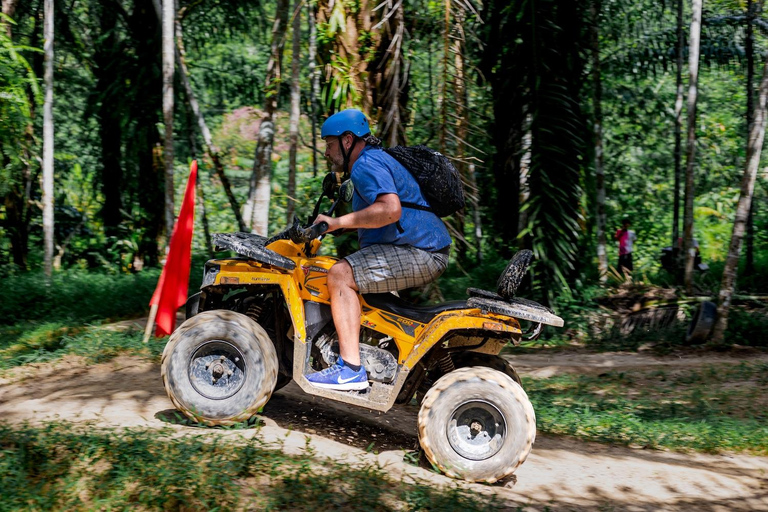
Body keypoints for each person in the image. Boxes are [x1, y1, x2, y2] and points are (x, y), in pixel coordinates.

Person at [305, 109, 452, 391]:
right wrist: (336, 226)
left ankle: (349, 369)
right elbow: (378, 217)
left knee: (339, 275)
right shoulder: (374, 160)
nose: (326, 152)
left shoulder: (364, 165)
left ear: (347, 140)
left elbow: (389, 210)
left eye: (329, 144)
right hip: (422, 248)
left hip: (421, 252)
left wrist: (336, 222)